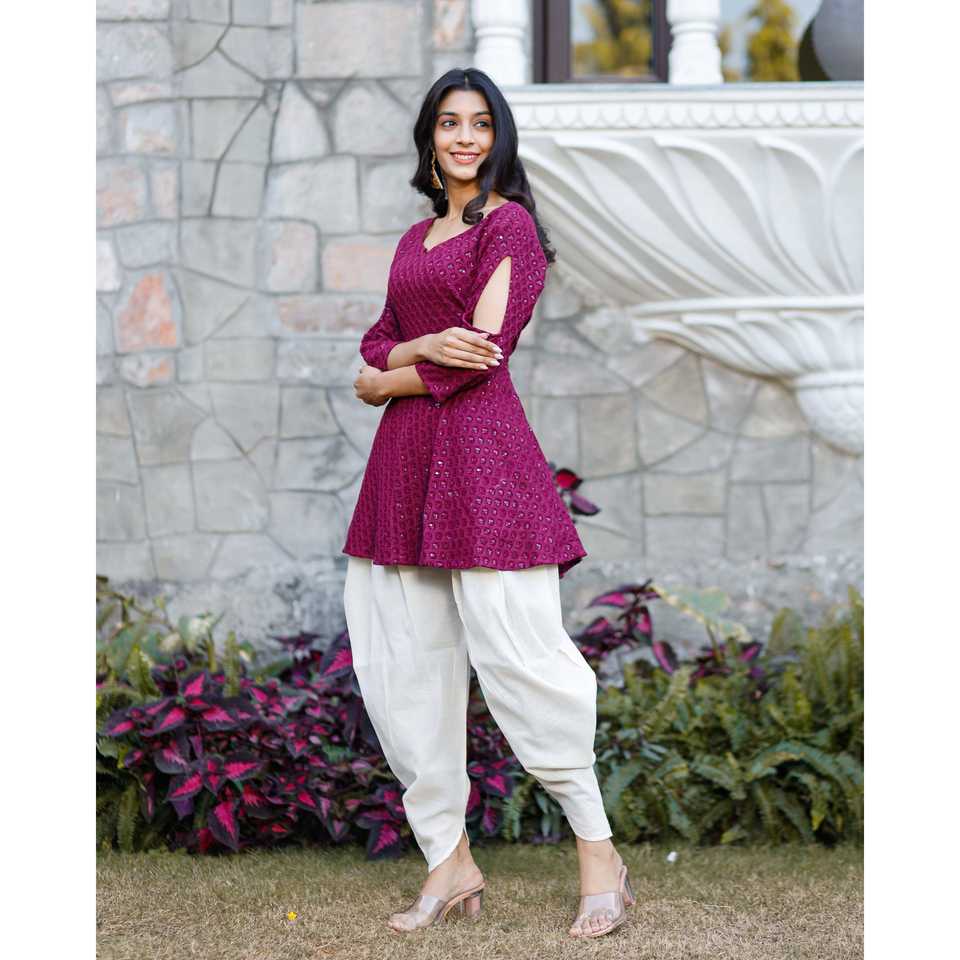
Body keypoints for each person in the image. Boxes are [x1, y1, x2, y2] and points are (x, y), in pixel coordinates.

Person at [341, 67, 635, 940]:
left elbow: (479, 352)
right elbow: (374, 348)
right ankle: (449, 859)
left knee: (525, 658)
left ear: (498, 137)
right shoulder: (414, 239)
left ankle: (600, 856)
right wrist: (411, 350)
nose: (464, 137)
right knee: (404, 665)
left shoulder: (511, 228)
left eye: (479, 123)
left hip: (484, 465)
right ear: (429, 138)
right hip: (405, 468)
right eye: (448, 122)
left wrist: (394, 369)